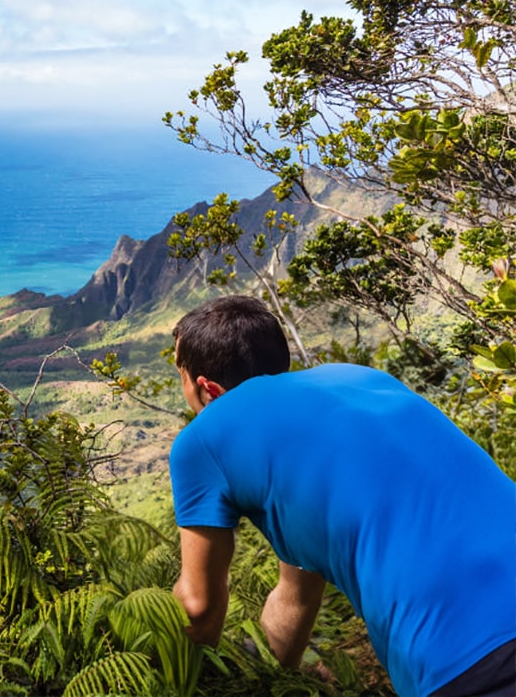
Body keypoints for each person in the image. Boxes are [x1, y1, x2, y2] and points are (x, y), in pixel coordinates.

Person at [168, 295, 516, 697]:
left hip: (462, 654)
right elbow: (295, 598)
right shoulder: (360, 378)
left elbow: (198, 609)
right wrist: (262, 680)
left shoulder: (203, 437)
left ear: (206, 389)